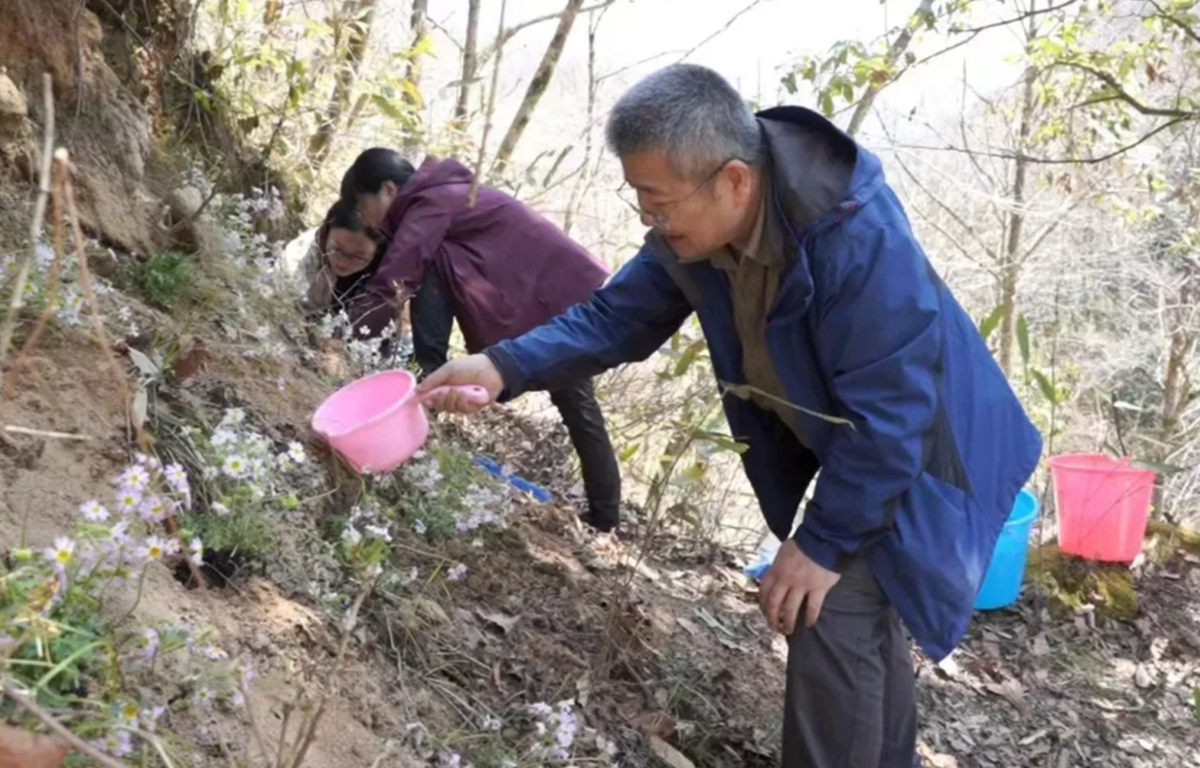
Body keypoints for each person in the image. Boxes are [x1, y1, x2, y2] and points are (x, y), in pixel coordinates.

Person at [417, 64, 1042, 768]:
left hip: (932, 448)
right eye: (640, 203)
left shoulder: (855, 239)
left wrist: (822, 542)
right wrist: (503, 367)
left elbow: (896, 414)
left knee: (827, 603)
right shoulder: (696, 236)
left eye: (659, 202)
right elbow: (613, 318)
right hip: (870, 440)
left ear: (734, 181)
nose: (651, 222)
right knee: (856, 621)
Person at [337, 148, 623, 532]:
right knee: (578, 404)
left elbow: (396, 277)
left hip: (547, 298)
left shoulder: (433, 200)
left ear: (388, 190)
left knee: (576, 400)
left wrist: (343, 344)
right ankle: (606, 517)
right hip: (541, 296)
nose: (366, 220)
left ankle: (605, 520)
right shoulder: (443, 193)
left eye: (362, 206)